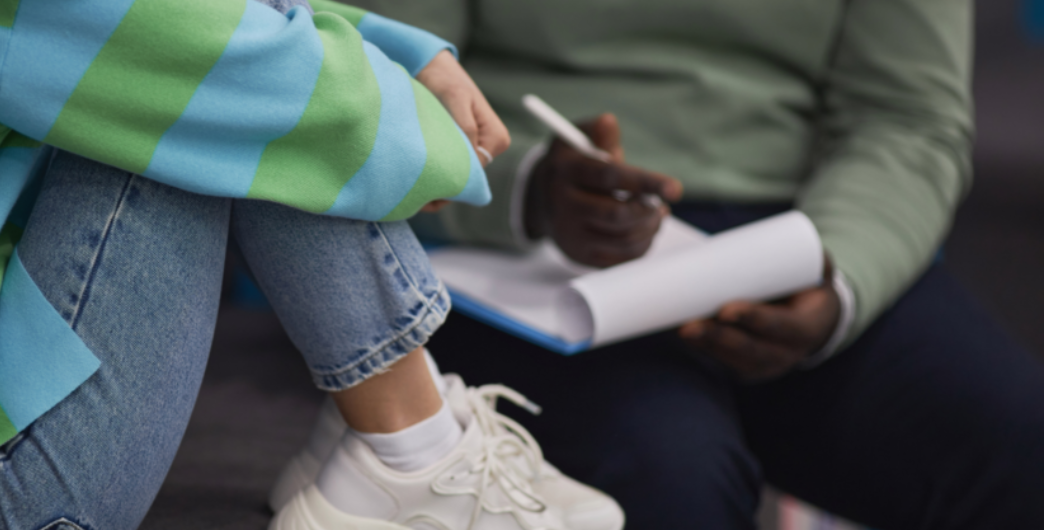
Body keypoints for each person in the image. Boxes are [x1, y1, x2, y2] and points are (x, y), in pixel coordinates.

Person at [0, 0, 626, 528]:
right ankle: (411, 451)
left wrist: (393, 47)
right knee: (219, 108)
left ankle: (407, 449)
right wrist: (421, 123)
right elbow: (251, 75)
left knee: (211, 85)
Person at [273, 0, 1044, 528]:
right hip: (517, 233)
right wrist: (525, 185)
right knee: (665, 484)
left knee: (1020, 446)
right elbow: (372, 66)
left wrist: (838, 277)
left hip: (806, 230)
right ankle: (402, 404)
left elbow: (909, 117)